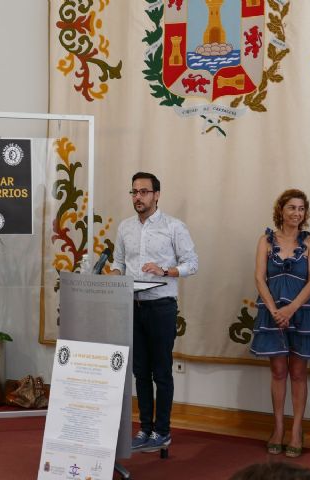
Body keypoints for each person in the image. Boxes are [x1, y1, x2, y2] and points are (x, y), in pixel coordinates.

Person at [111, 171, 198, 450]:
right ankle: (144, 429)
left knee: (161, 372)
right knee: (140, 371)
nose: (138, 197)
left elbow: (192, 263)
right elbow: (119, 262)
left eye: (144, 192)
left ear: (157, 195)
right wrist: (114, 274)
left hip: (161, 306)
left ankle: (163, 431)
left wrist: (165, 271)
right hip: (132, 306)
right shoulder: (125, 227)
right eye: (134, 192)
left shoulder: (174, 227)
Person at [250, 189, 310, 458]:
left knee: (298, 373)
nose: (296, 213)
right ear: (280, 210)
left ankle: (296, 431)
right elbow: (259, 278)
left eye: (301, 208)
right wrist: (274, 311)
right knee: (278, 372)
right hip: (272, 314)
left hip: (302, 313)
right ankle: (278, 428)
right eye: (291, 207)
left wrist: (291, 309)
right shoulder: (265, 241)